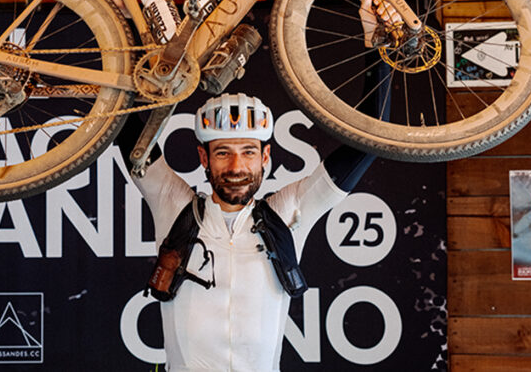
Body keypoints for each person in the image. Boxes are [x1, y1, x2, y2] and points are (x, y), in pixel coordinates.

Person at [115, 93, 375, 372]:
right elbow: (121, 119)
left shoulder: (285, 216)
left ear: (265, 156)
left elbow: (371, 139)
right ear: (204, 157)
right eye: (223, 152)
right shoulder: (175, 208)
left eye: (248, 152)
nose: (236, 167)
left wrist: (378, 53)